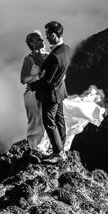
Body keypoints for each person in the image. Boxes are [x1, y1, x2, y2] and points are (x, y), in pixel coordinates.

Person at [30, 20, 72, 163]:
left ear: (54, 34)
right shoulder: (66, 49)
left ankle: (58, 153)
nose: (46, 37)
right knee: (60, 120)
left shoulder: (55, 56)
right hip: (60, 91)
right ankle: (62, 148)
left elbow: (48, 80)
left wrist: (33, 86)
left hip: (52, 94)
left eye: (47, 34)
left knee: (49, 121)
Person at [19, 30, 50, 153]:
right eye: (38, 39)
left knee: (47, 120)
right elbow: (23, 79)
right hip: (32, 93)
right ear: (32, 43)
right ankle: (35, 149)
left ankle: (45, 147)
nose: (42, 41)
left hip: (45, 92)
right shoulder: (29, 59)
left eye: (42, 38)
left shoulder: (48, 55)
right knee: (36, 121)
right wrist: (39, 76)